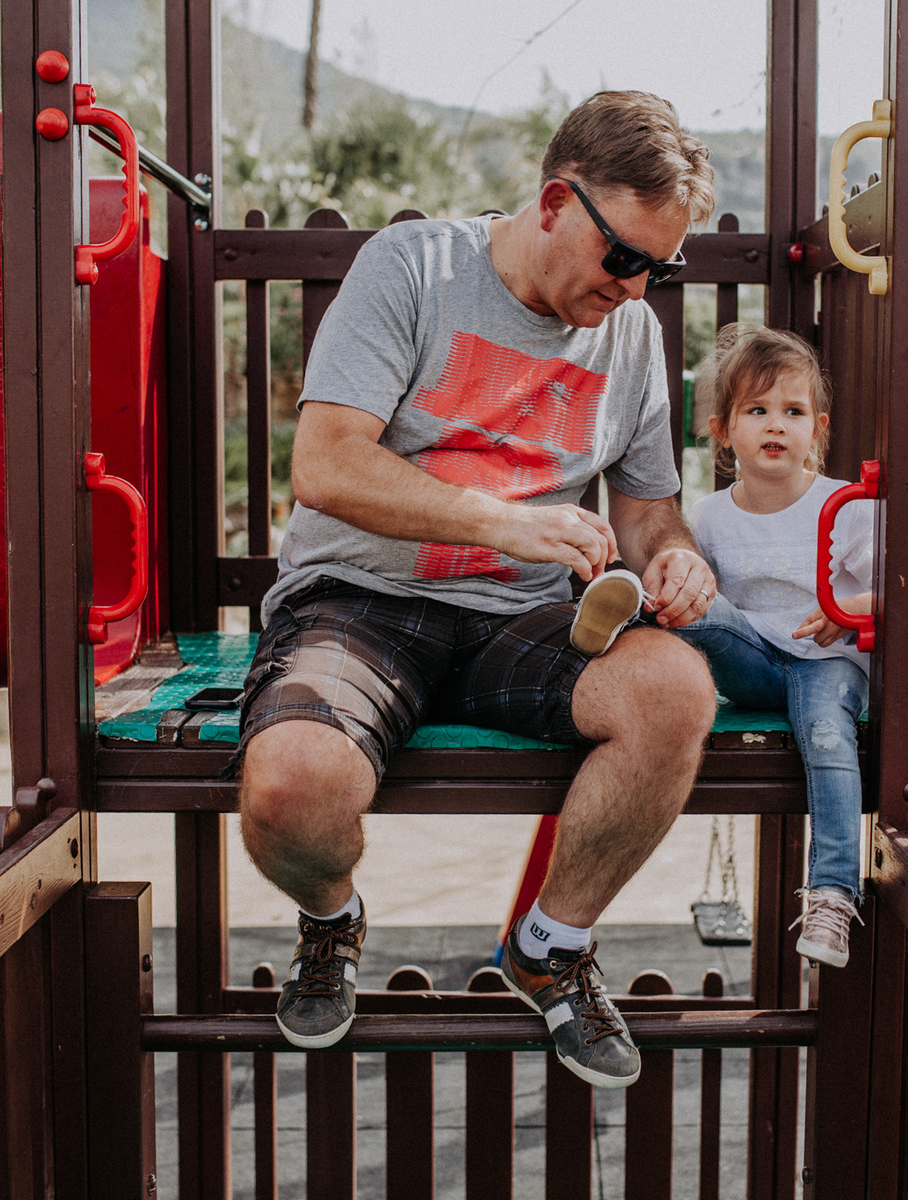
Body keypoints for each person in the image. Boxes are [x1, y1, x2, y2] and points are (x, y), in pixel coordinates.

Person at [234, 92, 721, 1090]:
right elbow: (325, 465)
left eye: (659, 271)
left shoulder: (631, 338)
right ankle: (333, 919)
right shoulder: (413, 268)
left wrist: (676, 556)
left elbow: (648, 514)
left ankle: (551, 945)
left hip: (527, 621)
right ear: (554, 201)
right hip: (361, 602)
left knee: (675, 691)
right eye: (624, 258)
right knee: (290, 791)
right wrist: (496, 519)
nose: (636, 290)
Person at [673, 325, 874, 968]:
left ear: (816, 427)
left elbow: (901, 593)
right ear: (723, 430)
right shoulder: (707, 517)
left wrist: (851, 610)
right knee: (693, 602)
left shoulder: (845, 506)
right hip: (754, 661)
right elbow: (708, 602)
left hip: (828, 665)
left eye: (791, 412)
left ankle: (834, 894)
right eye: (756, 411)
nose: (775, 426)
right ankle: (627, 614)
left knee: (824, 735)